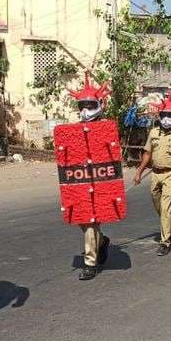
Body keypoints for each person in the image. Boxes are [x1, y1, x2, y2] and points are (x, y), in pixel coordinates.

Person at [67, 73, 112, 280]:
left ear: (100, 105)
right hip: (80, 181)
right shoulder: (73, 131)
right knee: (83, 221)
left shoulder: (107, 129)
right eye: (81, 106)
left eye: (90, 105)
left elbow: (112, 159)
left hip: (101, 182)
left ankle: (90, 263)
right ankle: (101, 242)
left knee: (91, 221)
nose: (85, 111)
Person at [134, 92, 171, 256]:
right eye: (163, 115)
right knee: (156, 203)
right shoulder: (154, 133)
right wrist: (139, 172)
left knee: (166, 207)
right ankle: (169, 226)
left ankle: (165, 241)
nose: (166, 118)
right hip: (155, 174)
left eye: (170, 115)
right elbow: (147, 154)